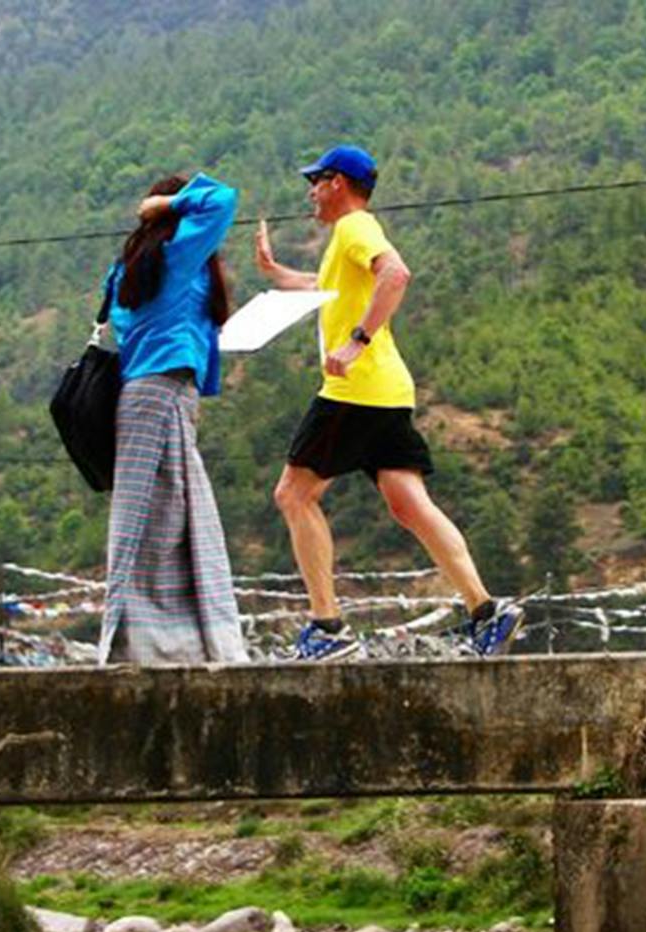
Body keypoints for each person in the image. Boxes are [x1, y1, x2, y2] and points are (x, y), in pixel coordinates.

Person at [253, 145, 524, 659]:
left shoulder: (355, 228)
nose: (310, 192)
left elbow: (395, 274)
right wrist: (275, 272)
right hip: (389, 392)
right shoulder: (346, 240)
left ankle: (327, 628)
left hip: (354, 391)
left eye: (316, 181)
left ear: (337, 183)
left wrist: (356, 341)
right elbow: (322, 286)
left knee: (293, 495)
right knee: (409, 504)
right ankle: (487, 612)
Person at [98, 172, 248, 664]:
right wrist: (169, 203)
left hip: (147, 395)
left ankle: (168, 641)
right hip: (161, 393)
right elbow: (222, 198)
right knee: (160, 524)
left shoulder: (131, 268)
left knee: (164, 519)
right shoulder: (177, 256)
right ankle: (152, 644)